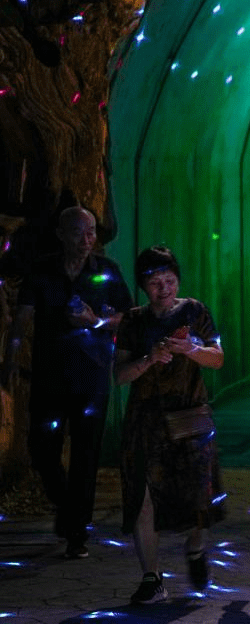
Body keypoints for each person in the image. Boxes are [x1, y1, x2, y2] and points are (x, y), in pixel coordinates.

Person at [3, 206, 133, 559]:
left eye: (91, 232)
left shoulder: (107, 271)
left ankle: (77, 533)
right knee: (42, 449)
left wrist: (95, 323)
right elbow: (23, 318)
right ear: (61, 234)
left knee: (86, 456)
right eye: (78, 233)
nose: (86, 240)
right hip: (49, 375)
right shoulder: (44, 270)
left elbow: (129, 318)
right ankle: (68, 508)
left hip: (91, 376)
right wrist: (11, 361)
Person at [113, 246, 226, 604]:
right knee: (142, 498)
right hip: (145, 422)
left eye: (169, 280)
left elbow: (217, 358)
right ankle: (152, 577)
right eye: (154, 282)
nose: (164, 289)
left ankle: (195, 547)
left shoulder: (194, 311)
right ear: (143, 286)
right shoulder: (133, 321)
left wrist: (190, 349)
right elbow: (119, 375)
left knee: (194, 500)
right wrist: (150, 358)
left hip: (189, 418)